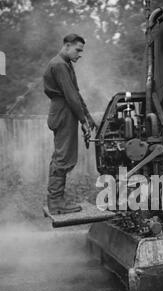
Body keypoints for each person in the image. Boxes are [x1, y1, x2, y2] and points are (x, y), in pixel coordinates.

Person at [43, 33, 96, 214]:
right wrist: (83, 120)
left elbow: (76, 93)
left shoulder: (66, 65)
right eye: (77, 50)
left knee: (64, 156)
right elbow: (71, 96)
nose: (80, 54)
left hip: (66, 111)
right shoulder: (59, 65)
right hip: (63, 112)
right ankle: (56, 202)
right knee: (62, 157)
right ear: (66, 46)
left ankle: (57, 200)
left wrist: (87, 116)